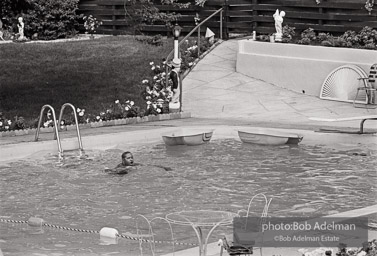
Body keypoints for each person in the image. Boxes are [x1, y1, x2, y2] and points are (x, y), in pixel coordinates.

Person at [105, 151, 172, 175]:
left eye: (131, 157)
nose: (131, 159)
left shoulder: (134, 164)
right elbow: (111, 171)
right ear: (123, 160)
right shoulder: (120, 166)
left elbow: (149, 165)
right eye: (128, 158)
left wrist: (164, 167)